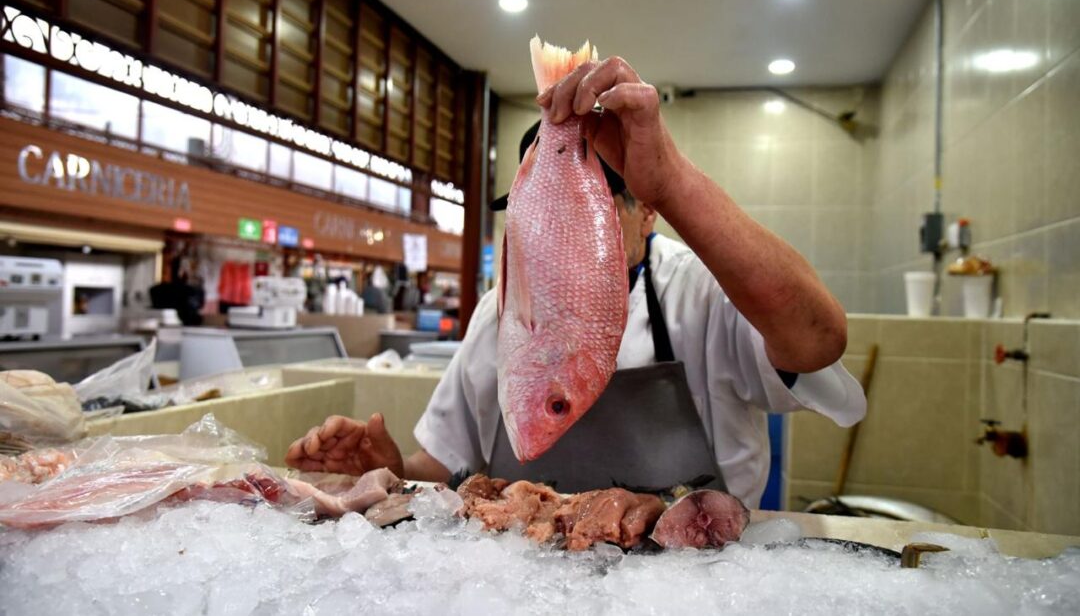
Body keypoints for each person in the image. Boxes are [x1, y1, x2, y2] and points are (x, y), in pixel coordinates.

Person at [286, 56, 865, 507]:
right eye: (539, 211)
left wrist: (672, 181)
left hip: (690, 583)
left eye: (588, 204)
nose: (550, 231)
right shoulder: (500, 314)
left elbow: (819, 340)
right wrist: (387, 469)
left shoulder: (700, 291)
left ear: (647, 211)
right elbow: (439, 468)